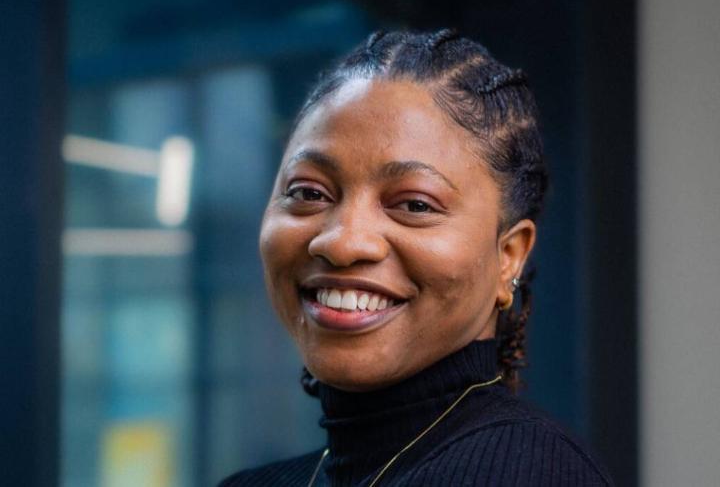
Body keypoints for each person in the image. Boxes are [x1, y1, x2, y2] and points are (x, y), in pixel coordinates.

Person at [220, 29, 613, 486]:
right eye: (309, 193)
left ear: (508, 255)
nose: (343, 242)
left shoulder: (530, 472)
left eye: (415, 204)